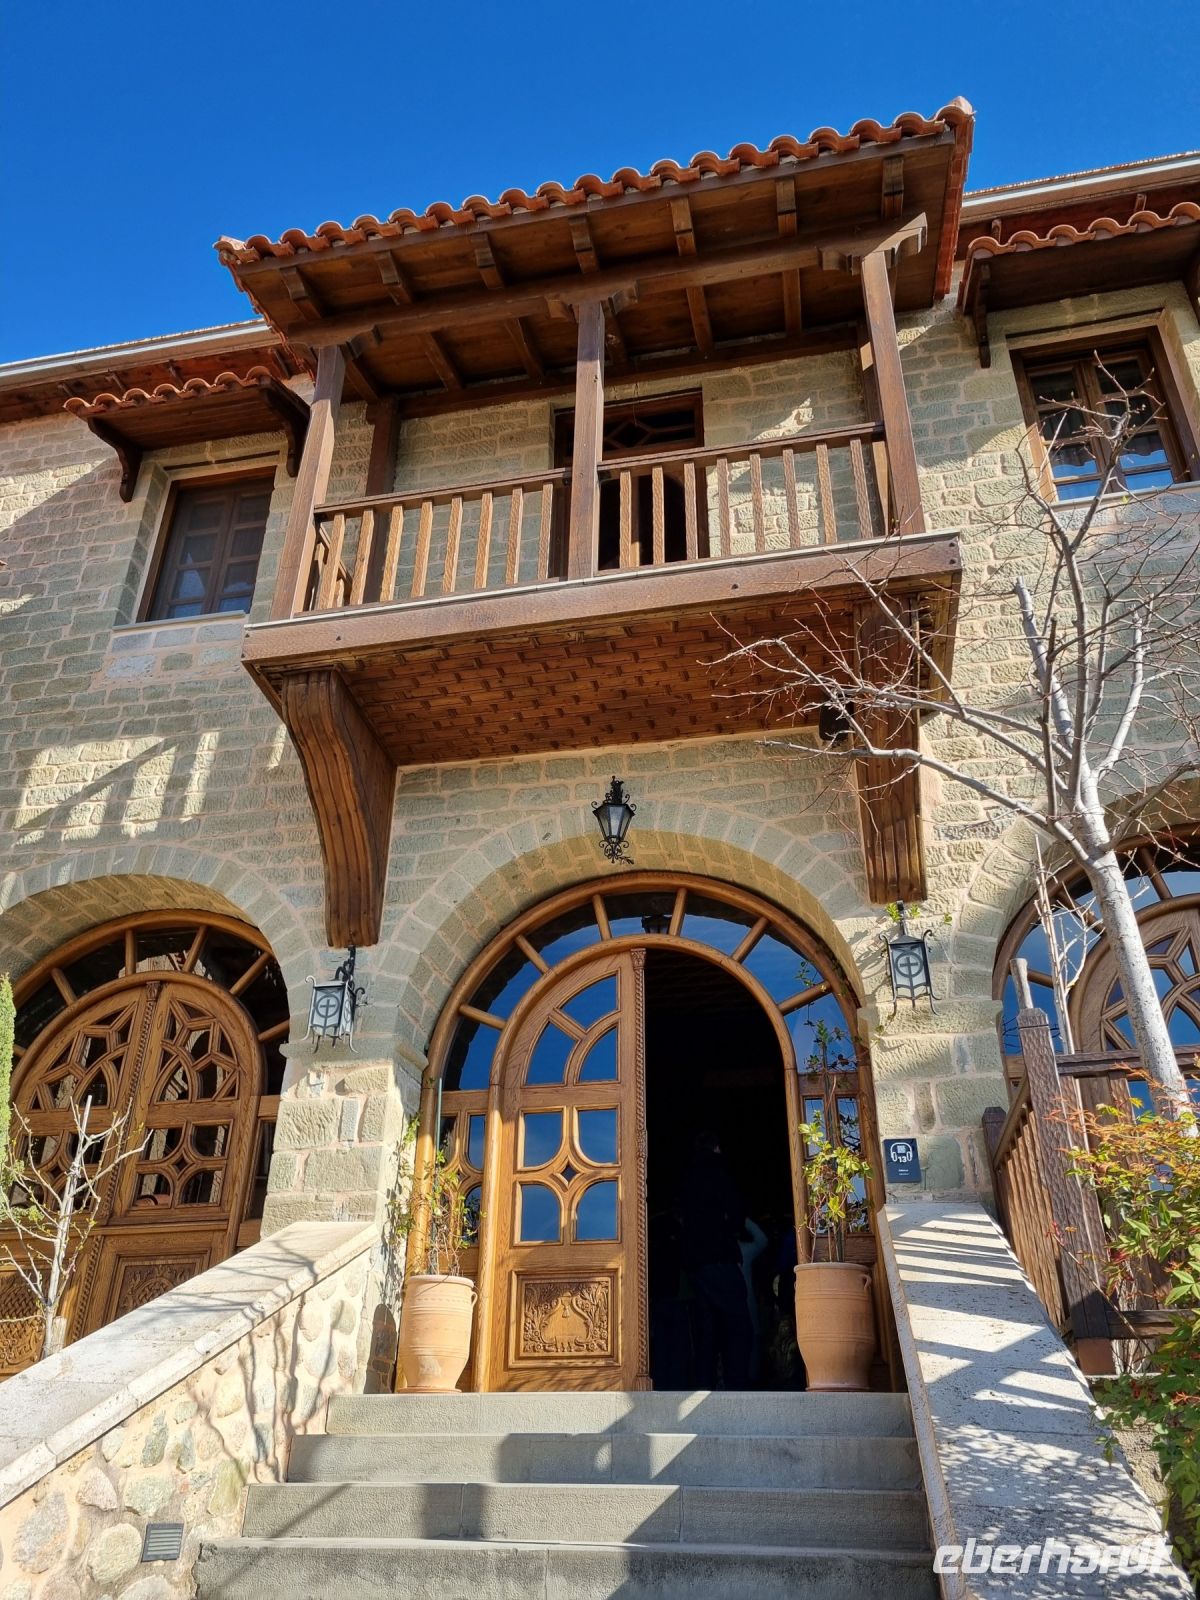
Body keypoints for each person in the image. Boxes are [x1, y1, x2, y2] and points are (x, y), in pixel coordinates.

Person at [679, 1131, 754, 1390]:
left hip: (695, 1261)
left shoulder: (687, 1177)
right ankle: (738, 1384)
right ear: (717, 1148)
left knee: (707, 1325)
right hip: (719, 1255)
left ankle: (705, 1383)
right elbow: (735, 1213)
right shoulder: (719, 1173)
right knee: (737, 1323)